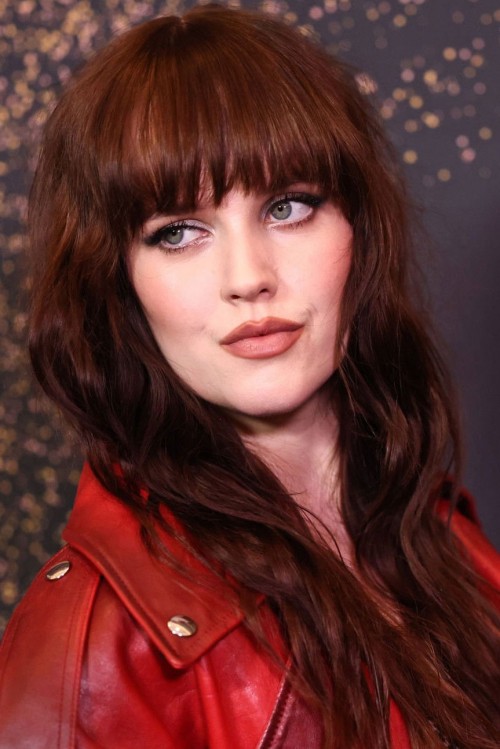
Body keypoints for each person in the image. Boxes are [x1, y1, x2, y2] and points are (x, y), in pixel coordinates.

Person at [0, 5, 499, 748]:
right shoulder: (89, 651)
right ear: (118, 283)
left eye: (288, 206)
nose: (248, 277)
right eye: (178, 232)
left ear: (359, 230)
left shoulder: (437, 532)